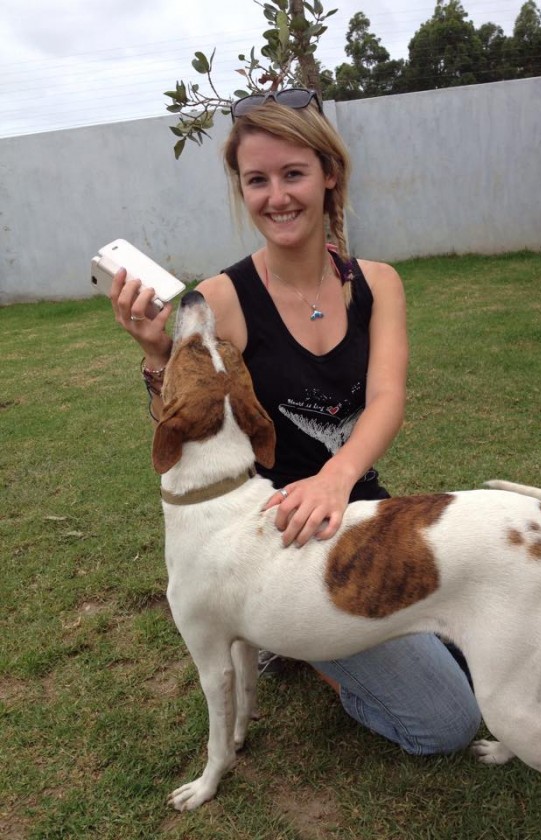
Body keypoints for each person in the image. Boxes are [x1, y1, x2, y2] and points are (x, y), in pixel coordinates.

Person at [110, 88, 480, 756]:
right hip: (280, 540)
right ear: (241, 188)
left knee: (483, 658)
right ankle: (292, 639)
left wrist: (338, 479)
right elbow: (185, 425)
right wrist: (158, 356)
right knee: (448, 723)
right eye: (257, 180)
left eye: (293, 174)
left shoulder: (378, 284)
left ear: (328, 174)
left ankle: (302, 639)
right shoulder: (221, 300)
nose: (276, 196)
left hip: (362, 512)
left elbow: (387, 396)